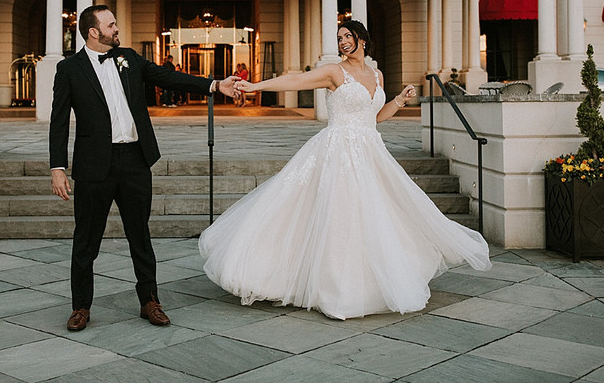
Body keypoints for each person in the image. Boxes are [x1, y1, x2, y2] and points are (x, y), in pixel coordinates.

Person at [199, 19, 491, 320]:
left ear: (362, 39)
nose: (342, 42)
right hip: (337, 151)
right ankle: (331, 285)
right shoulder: (334, 72)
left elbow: (375, 117)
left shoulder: (376, 74)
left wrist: (399, 101)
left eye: (347, 36)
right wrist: (256, 85)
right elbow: (296, 80)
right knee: (337, 215)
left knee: (374, 215)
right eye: (339, 38)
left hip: (370, 151)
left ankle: (372, 279)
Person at [50, 5, 239, 332]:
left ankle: (149, 300)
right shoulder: (69, 69)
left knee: (140, 237)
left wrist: (214, 85)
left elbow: (170, 77)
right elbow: (58, 121)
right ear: (94, 32)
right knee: (85, 241)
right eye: (111, 24)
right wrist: (57, 167)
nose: (116, 29)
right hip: (94, 167)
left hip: (135, 161)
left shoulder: (129, 58)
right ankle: (81, 306)